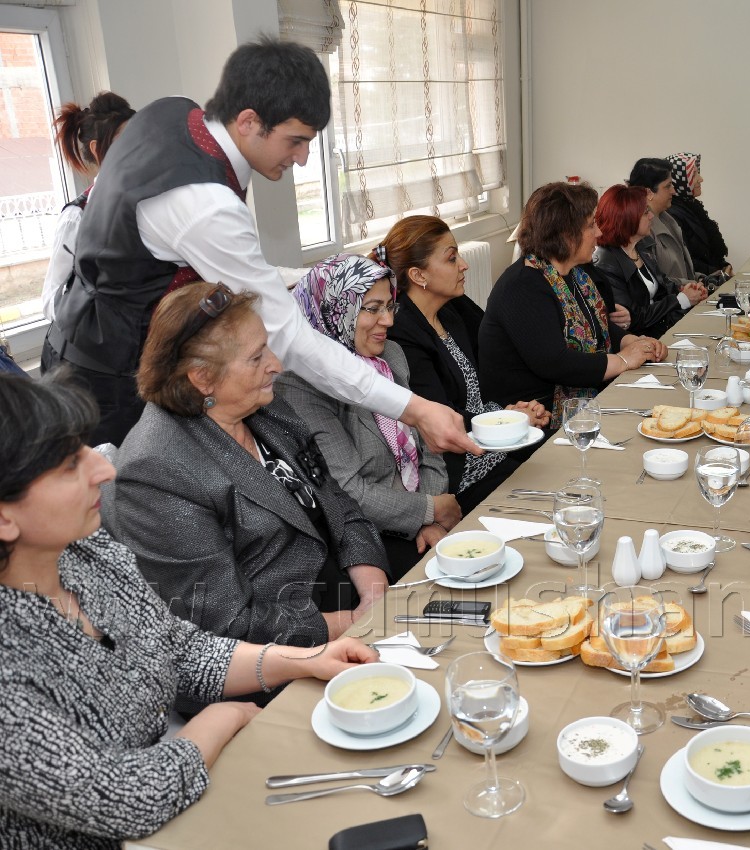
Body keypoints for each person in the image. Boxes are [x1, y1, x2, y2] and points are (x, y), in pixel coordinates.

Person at [42, 38, 474, 458]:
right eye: (296, 140)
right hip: (106, 376)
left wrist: (305, 277)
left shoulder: (172, 109)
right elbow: (291, 340)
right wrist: (413, 408)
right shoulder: (205, 205)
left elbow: (227, 262)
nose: (303, 158)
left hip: (76, 339)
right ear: (248, 120)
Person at [0, 372, 378, 848]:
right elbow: (126, 798)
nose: (104, 470)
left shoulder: (87, 554)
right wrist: (218, 720)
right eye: (69, 466)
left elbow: (177, 650)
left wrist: (302, 659)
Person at [102, 284, 389, 705]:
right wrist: (350, 623)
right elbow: (224, 623)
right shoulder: (155, 471)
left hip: (345, 607)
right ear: (202, 378)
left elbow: (336, 501)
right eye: (257, 357)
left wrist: (374, 592)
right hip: (272, 662)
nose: (275, 365)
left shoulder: (265, 409)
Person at [274, 254, 460, 577]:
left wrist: (430, 510)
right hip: (365, 539)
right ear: (335, 311)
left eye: (390, 306)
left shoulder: (390, 354)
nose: (388, 321)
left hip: (421, 512)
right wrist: (428, 511)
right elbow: (350, 490)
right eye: (372, 309)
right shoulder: (303, 386)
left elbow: (427, 444)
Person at [378, 217, 550, 513]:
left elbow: (497, 364)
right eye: (451, 258)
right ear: (419, 275)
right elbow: (442, 419)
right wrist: (506, 422)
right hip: (457, 466)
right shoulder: (402, 334)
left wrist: (514, 410)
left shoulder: (453, 308)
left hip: (486, 442)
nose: (463, 265)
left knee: (558, 464)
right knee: (545, 492)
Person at [477, 181, 666, 422]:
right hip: (535, 419)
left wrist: (638, 342)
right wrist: (624, 360)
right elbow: (557, 363)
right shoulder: (523, 286)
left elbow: (599, 329)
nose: (598, 232)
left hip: (584, 399)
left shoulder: (575, 274)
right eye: (590, 225)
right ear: (566, 235)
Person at [40, 91, 135, 323]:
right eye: (127, 141)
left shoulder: (149, 203)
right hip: (101, 349)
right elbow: (51, 303)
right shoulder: (77, 217)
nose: (138, 148)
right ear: (97, 149)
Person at [592, 183, 707, 338]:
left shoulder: (642, 247)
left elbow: (663, 286)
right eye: (646, 212)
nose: (652, 216)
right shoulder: (607, 263)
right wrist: (680, 300)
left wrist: (685, 288)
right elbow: (632, 318)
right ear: (628, 218)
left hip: (662, 331)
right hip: (640, 342)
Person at [628, 157, 718, 287]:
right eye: (668, 186)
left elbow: (684, 271)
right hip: (676, 303)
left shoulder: (668, 219)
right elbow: (659, 280)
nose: (674, 191)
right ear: (649, 193)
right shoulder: (642, 230)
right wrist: (692, 285)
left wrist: (705, 280)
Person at [664, 152, 733, 278]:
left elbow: (710, 250)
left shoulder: (693, 207)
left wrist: (724, 266)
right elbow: (686, 261)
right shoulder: (672, 214)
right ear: (679, 179)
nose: (701, 179)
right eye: (694, 174)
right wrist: (719, 273)